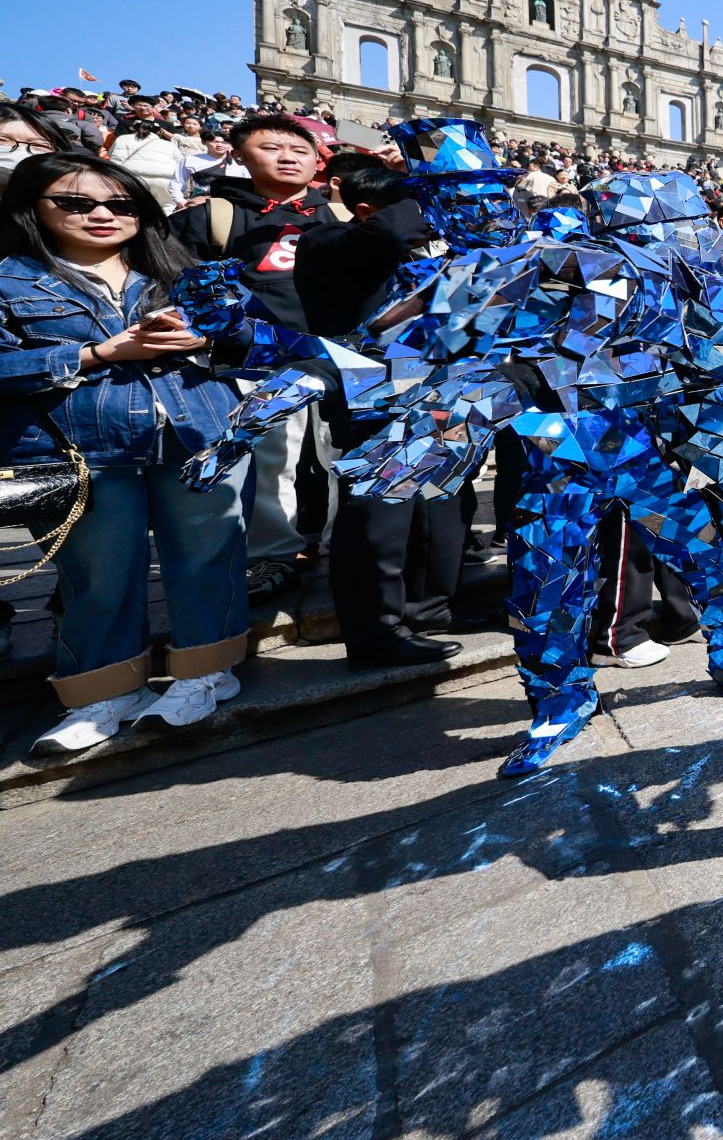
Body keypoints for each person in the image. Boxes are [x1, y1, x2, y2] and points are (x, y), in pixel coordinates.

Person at [0, 155, 249, 753]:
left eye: (121, 204)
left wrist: (207, 336)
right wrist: (97, 354)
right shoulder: (9, 278)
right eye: (76, 202)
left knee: (208, 556)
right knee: (98, 574)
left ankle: (206, 672)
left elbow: (247, 337)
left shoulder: (180, 267)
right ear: (33, 207)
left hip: (196, 430)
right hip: (79, 447)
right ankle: (105, 692)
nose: (102, 215)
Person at [168, 113, 351, 597]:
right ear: (239, 155)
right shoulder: (212, 216)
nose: (288, 157)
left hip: (341, 356)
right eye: (271, 148)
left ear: (318, 161)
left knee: (343, 454)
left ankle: (346, 547)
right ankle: (271, 555)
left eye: (300, 150)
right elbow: (176, 283)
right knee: (271, 458)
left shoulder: (345, 216)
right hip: (257, 359)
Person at [291, 163, 465, 670]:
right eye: (426, 210)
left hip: (436, 385)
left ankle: (428, 608)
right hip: (371, 388)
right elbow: (391, 232)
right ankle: (374, 632)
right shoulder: (326, 241)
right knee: (379, 514)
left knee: (437, 506)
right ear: (367, 210)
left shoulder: (425, 250)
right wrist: (435, 190)